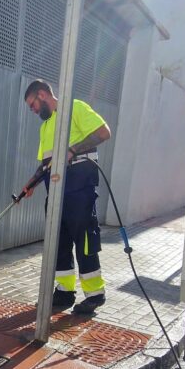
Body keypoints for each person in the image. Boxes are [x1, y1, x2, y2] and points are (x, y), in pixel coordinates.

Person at [22, 79, 111, 314]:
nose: (33, 110)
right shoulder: (45, 127)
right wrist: (31, 184)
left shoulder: (75, 108)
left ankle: (95, 295)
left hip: (80, 191)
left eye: (32, 105)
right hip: (56, 194)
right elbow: (45, 164)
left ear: (42, 95)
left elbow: (104, 133)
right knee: (57, 243)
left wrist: (72, 150)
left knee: (84, 241)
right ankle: (64, 292)